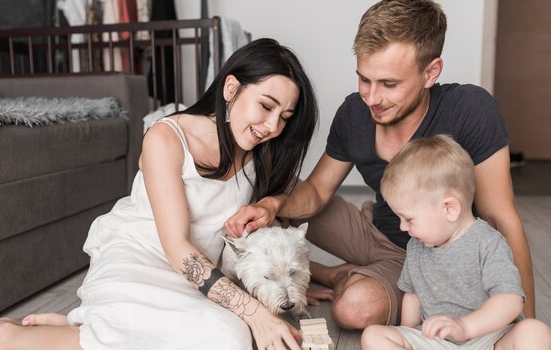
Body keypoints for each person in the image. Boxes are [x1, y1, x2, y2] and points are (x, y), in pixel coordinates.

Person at [0, 38, 321, 350]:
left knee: (232, 349)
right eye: (267, 106)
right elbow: (178, 249)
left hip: (196, 278)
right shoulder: (166, 138)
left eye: (285, 117)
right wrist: (252, 312)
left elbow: (298, 195)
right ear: (231, 88)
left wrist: (301, 272)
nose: (272, 126)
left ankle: (88, 328)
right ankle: (8, 336)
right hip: (142, 258)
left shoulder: (260, 148)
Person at [224, 0, 536, 330]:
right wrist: (271, 205)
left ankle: (334, 275)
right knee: (276, 183)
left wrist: (525, 327)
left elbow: (500, 217)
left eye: (389, 84)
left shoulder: (470, 109)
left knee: (354, 310)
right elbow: (316, 191)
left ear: (431, 72)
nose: (372, 98)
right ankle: (326, 270)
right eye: (364, 79)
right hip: (373, 231)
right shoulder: (353, 113)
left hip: (424, 251)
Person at [361, 135, 551, 350]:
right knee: (373, 337)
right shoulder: (417, 246)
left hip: (489, 346)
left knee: (536, 334)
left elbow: (511, 301)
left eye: (409, 218)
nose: (402, 227)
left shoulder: (488, 243)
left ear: (449, 208)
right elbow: (412, 293)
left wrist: (465, 327)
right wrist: (409, 335)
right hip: (437, 348)